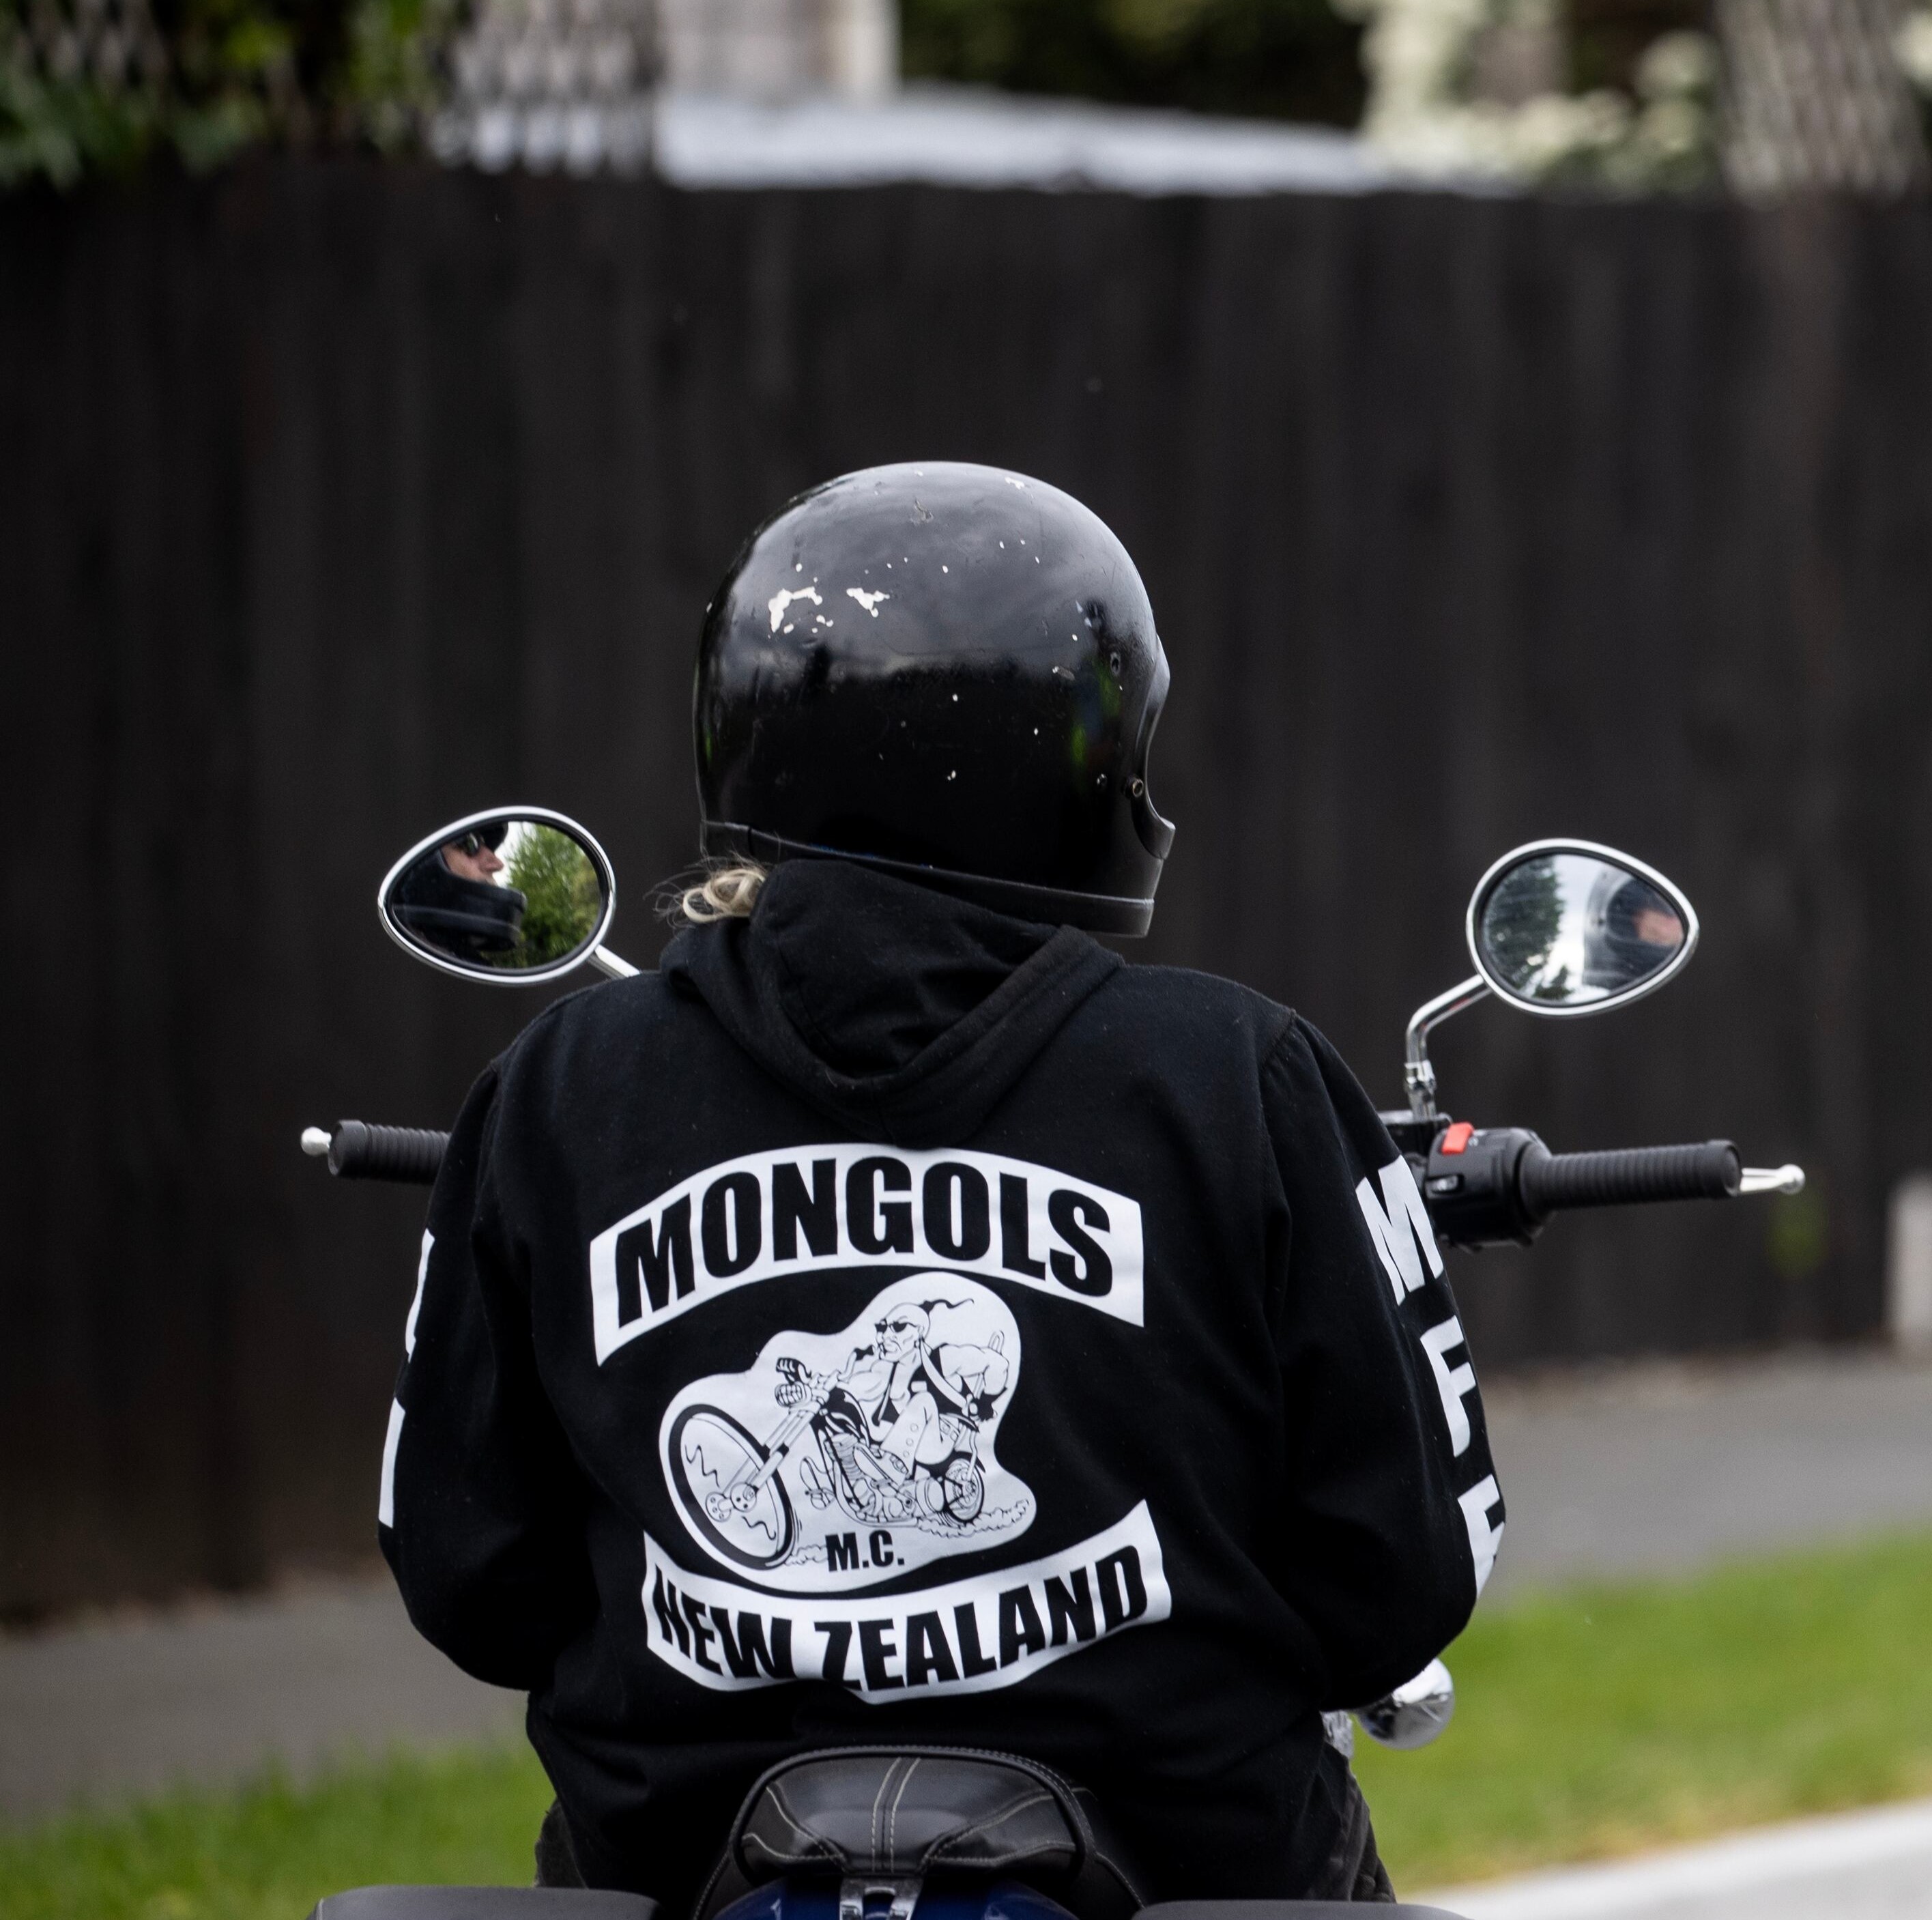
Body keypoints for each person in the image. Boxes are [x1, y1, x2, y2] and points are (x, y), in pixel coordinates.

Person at [379, 463, 1503, 1913]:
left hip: (677, 1860)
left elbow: (468, 1570)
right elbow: (1400, 1573)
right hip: (1189, 1857)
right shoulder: (1240, 1076)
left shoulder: (560, 1087)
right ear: (1071, 766)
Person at [388, 822, 527, 964]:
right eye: (470, 843)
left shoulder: (450, 961)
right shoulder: (402, 962)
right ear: (420, 861)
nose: (498, 864)